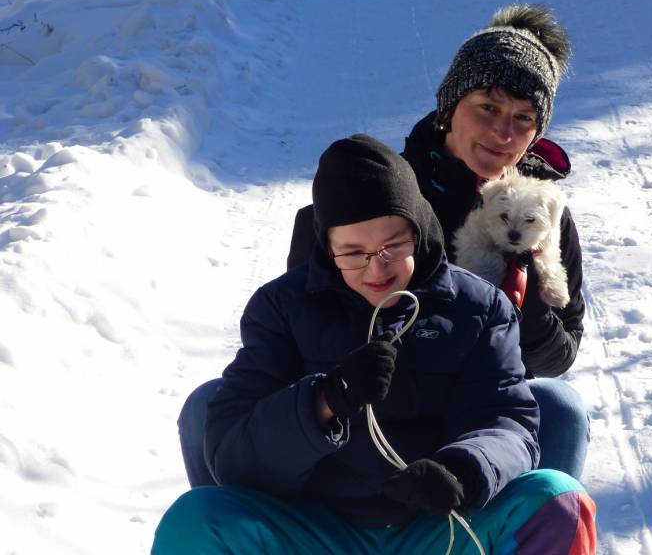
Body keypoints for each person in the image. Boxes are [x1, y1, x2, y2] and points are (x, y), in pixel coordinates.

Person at [177, 3, 589, 486]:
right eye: (488, 108)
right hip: (359, 416)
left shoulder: (541, 215)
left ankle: (524, 519)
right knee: (208, 407)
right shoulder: (367, 196)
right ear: (449, 108)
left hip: (470, 418)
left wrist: (526, 298)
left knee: (559, 408)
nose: (503, 133)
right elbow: (305, 329)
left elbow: (557, 357)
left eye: (524, 118)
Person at [152, 135, 596, 554]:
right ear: (327, 248)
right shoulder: (283, 307)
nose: (376, 268)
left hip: (437, 527)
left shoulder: (476, 306)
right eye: (353, 253)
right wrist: (323, 402)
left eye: (393, 246)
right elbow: (233, 455)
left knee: (558, 500)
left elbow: (506, 420)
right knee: (197, 518)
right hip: (315, 528)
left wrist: (464, 469)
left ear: (418, 231)